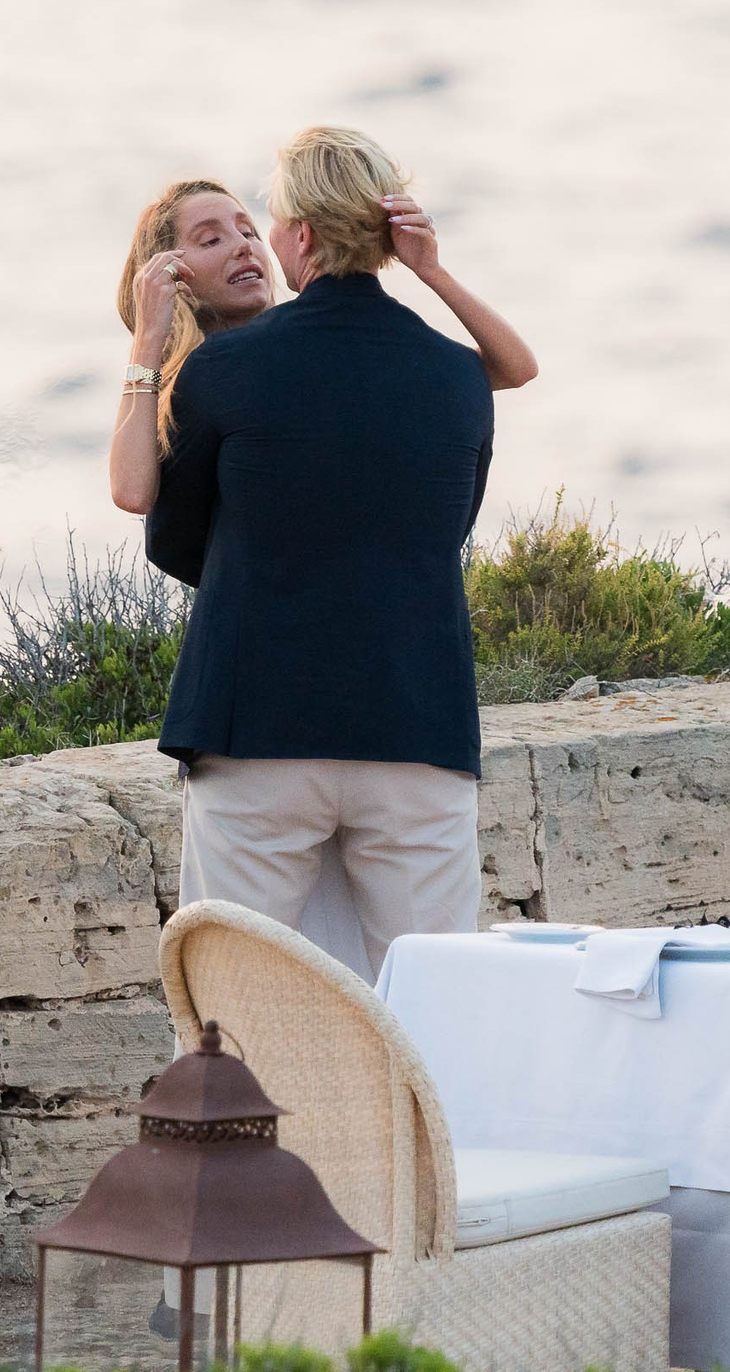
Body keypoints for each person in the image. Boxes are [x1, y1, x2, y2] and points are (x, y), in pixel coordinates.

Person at [140, 127, 513, 981]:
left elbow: (172, 537)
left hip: (257, 731)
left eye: (268, 222)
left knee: (235, 1014)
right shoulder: (460, 376)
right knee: (436, 1007)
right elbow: (444, 528)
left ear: (301, 236)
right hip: (417, 728)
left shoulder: (224, 369)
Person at [109, 178, 535, 516]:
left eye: (248, 230)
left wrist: (431, 271)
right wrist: (148, 339)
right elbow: (131, 494)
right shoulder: (179, 385)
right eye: (210, 240)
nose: (244, 246)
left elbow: (513, 370)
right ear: (170, 276)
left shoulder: (315, 347)